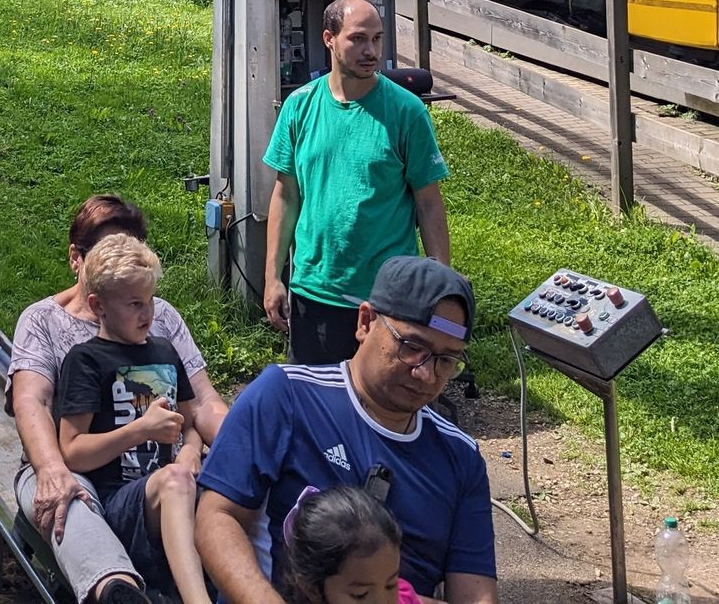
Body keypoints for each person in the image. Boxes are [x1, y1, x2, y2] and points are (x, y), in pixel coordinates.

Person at [196, 255, 497, 604]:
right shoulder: (286, 396)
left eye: (446, 360)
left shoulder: (460, 456)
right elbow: (217, 517)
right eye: (412, 348)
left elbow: (476, 594)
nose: (426, 374)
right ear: (366, 322)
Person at [9, 195, 230, 604]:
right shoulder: (44, 320)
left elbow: (200, 404)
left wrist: (239, 449)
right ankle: (116, 587)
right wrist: (51, 467)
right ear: (77, 259)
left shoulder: (159, 321)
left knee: (223, 486)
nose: (120, 256)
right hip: (65, 462)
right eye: (107, 249)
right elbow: (32, 402)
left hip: (155, 475)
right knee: (71, 498)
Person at [264, 0, 452, 365]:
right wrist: (272, 277)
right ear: (329, 38)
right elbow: (286, 195)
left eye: (377, 39)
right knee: (318, 395)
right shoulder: (299, 106)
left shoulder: (407, 112)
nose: (371, 51)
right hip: (315, 291)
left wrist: (440, 286)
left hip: (387, 297)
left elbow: (429, 203)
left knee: (384, 396)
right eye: (358, 39)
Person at [54, 235, 220, 604]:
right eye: (134, 304)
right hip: (119, 504)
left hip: (173, 490)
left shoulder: (165, 351)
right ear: (98, 306)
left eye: (150, 301)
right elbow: (72, 450)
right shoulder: (86, 360)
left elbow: (190, 421)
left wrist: (191, 450)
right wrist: (140, 430)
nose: (147, 314)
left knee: (225, 484)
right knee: (175, 480)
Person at [278, 487, 417, 604]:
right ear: (312, 590)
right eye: (361, 595)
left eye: (391, 585)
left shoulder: (404, 598)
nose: (383, 600)